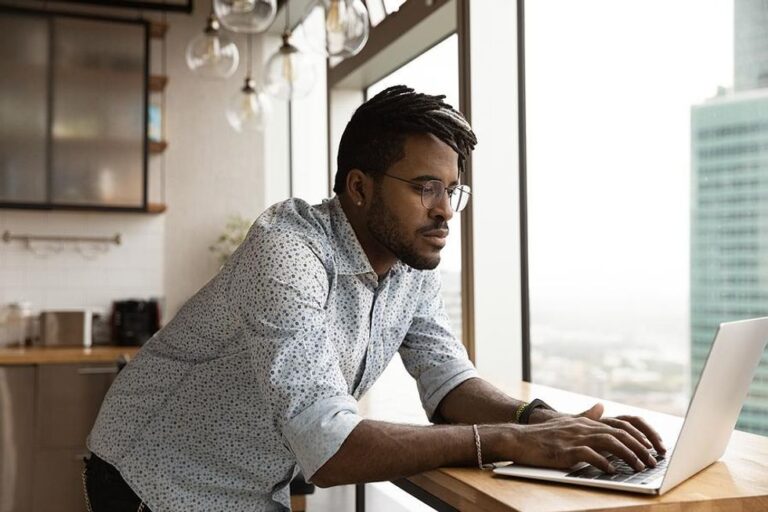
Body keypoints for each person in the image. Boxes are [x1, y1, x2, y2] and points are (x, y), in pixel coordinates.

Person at [84, 85, 665, 512]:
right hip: (151, 479)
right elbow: (332, 447)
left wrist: (545, 422)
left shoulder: (410, 261)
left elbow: (448, 382)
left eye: (453, 190)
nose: (444, 209)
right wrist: (513, 441)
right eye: (424, 188)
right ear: (358, 188)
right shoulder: (288, 252)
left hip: (248, 487)